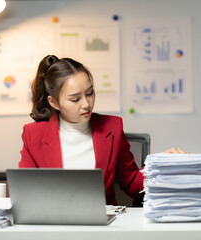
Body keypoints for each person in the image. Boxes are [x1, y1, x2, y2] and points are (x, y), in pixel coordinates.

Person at [19, 55, 187, 205]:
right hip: (54, 226)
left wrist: (160, 164)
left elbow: (132, 183)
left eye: (90, 93)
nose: (86, 104)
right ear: (54, 102)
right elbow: (25, 192)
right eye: (75, 99)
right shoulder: (33, 135)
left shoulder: (112, 128)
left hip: (103, 226)